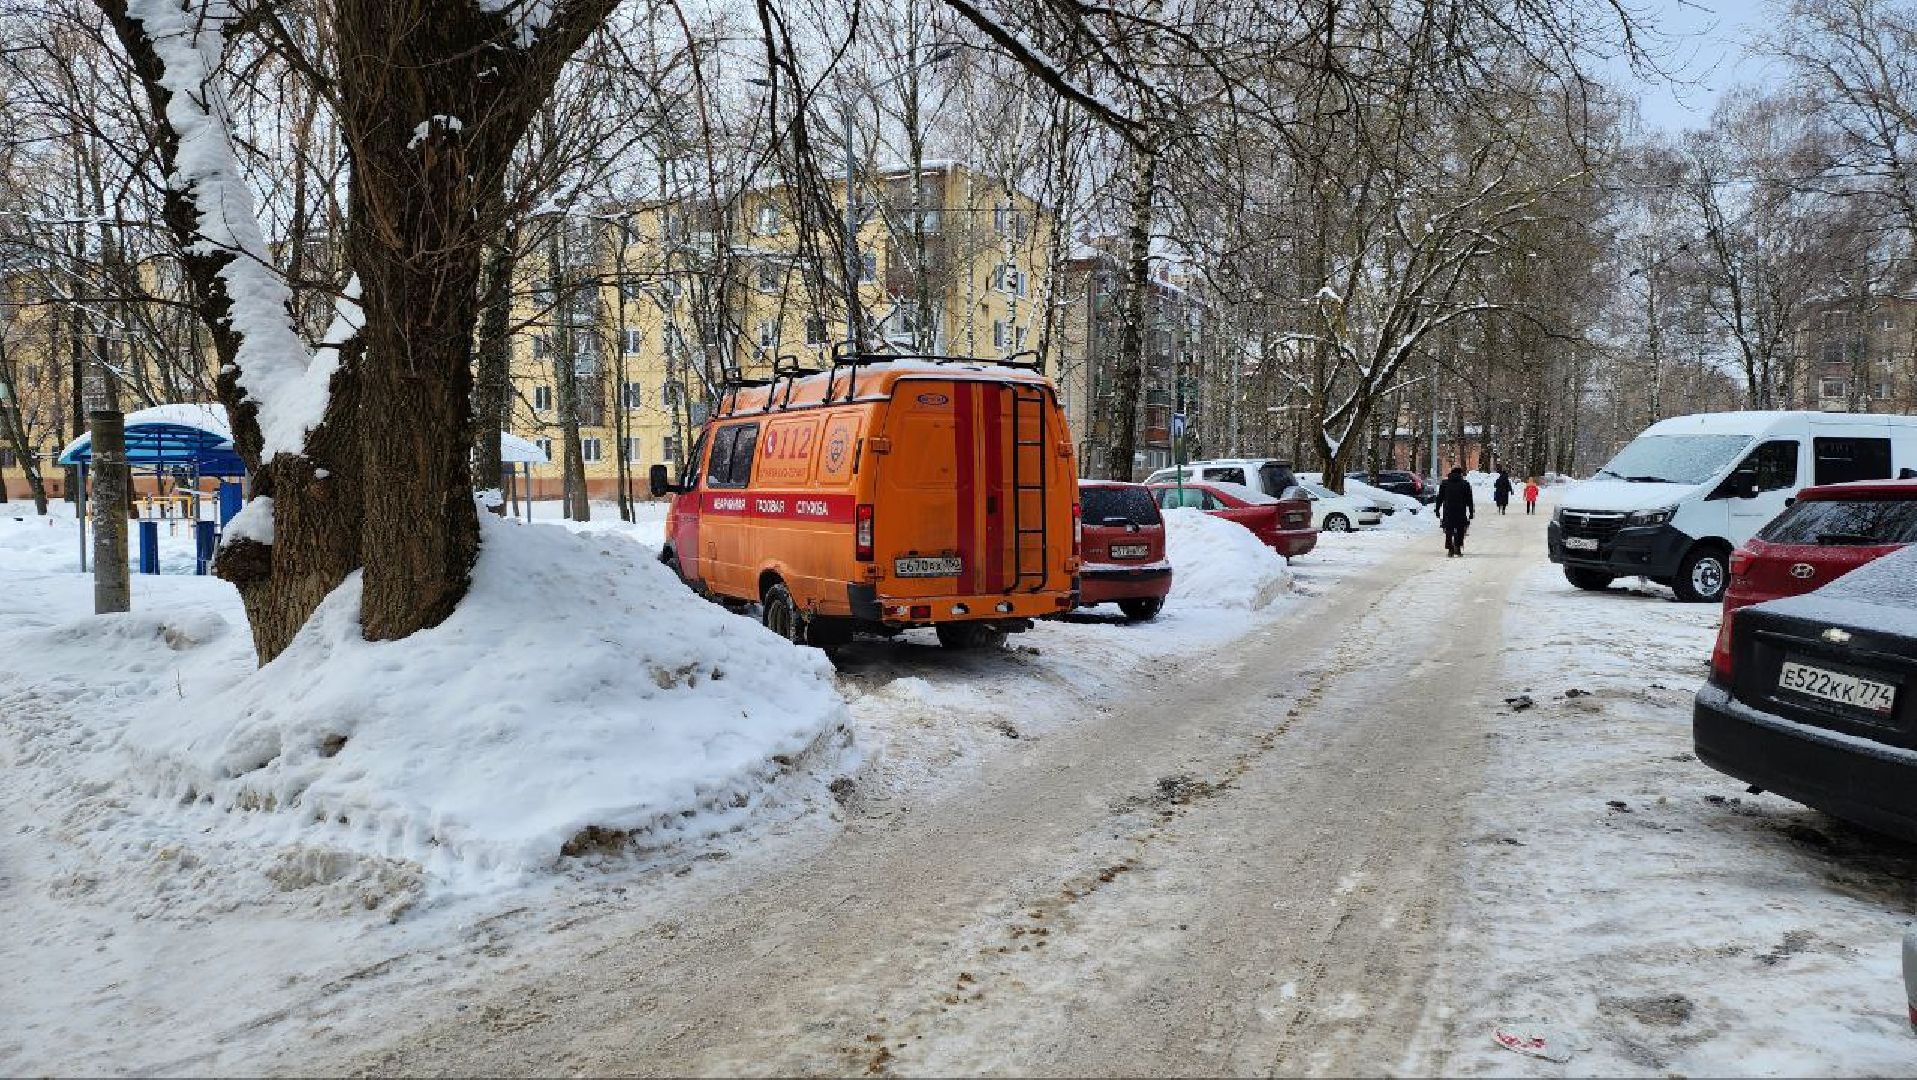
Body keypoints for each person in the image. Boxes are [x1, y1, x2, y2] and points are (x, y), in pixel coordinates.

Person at [1433, 466, 1475, 557]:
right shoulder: (1465, 484)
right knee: (1460, 529)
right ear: (1460, 474)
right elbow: (1469, 500)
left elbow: (1439, 498)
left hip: (1448, 510)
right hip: (1460, 511)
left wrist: (1437, 509)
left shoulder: (1444, 483)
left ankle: (1450, 549)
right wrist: (1471, 512)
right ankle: (1458, 548)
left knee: (1449, 530)